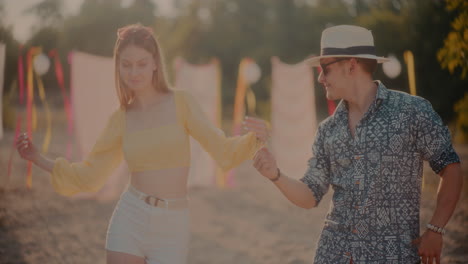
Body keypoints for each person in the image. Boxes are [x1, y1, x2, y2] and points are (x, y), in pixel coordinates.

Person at [15, 23, 268, 264]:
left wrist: (256, 137)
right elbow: (91, 174)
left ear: (155, 63)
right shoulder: (121, 119)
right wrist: (37, 158)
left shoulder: (181, 103)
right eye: (126, 65)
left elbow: (222, 150)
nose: (134, 72)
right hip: (130, 217)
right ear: (118, 67)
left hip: (173, 224)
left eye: (141, 64)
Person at [252, 25, 462, 264]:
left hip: (393, 257)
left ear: (350, 65)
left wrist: (436, 229)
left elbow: (450, 167)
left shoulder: (412, 111)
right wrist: (275, 175)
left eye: (325, 69)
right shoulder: (327, 130)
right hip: (333, 255)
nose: (320, 78)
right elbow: (310, 195)